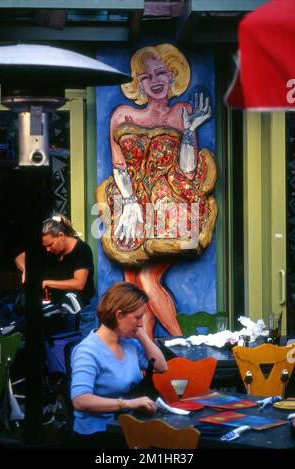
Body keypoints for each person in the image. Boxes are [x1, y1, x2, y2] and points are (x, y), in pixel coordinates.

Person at [97, 44, 218, 338]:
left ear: (173, 75)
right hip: (131, 205)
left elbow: (188, 170)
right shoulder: (122, 115)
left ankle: (180, 346)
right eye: (146, 76)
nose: (155, 80)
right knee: (134, 283)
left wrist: (189, 131)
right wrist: (130, 204)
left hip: (170, 204)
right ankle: (149, 359)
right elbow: (119, 165)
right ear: (137, 83)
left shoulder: (182, 112)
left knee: (149, 279)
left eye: (161, 72)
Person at [70, 282, 167, 448]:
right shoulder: (87, 351)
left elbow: (161, 366)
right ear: (119, 315)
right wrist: (128, 403)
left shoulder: (128, 344)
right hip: (98, 435)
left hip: (129, 428)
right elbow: (80, 400)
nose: (140, 323)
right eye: (137, 317)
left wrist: (141, 335)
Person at [15, 214, 97, 336]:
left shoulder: (82, 250)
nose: (47, 249)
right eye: (45, 246)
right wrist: (26, 269)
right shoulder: (48, 248)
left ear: (61, 236)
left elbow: (79, 283)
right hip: (57, 309)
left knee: (79, 347)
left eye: (50, 245)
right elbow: (20, 257)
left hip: (81, 311)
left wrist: (45, 283)